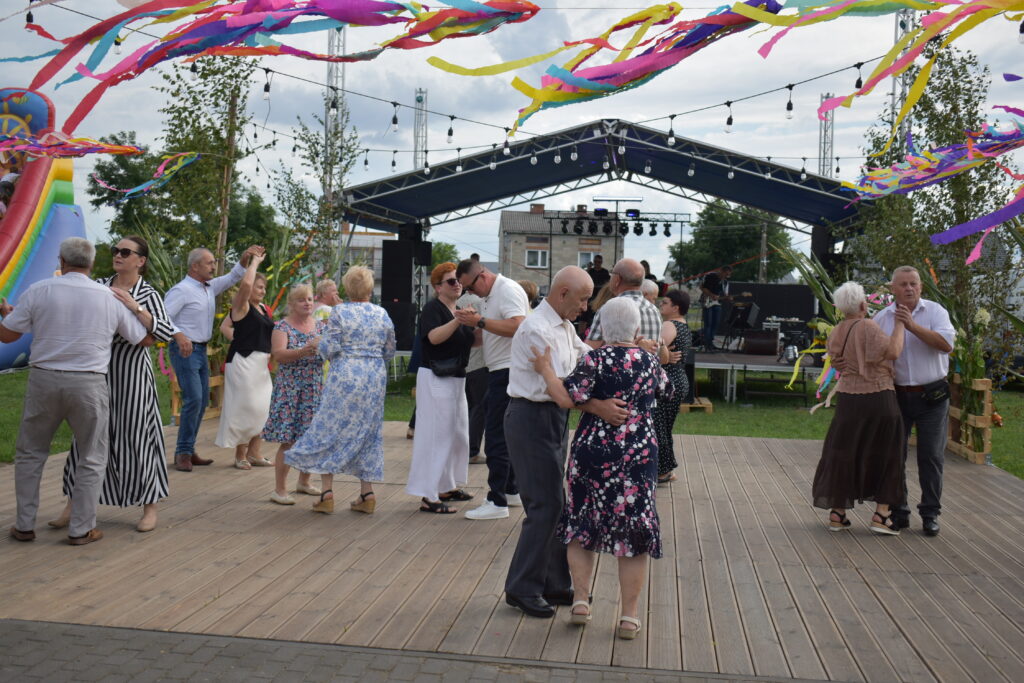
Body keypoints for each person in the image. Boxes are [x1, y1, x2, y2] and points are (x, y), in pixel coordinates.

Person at [530, 297, 671, 637]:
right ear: (636, 329)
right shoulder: (649, 362)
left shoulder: (593, 359)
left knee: (583, 523)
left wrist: (545, 369)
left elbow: (569, 397)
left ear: (603, 328)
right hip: (637, 455)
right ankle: (629, 617)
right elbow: (665, 391)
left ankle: (580, 601)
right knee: (634, 530)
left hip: (593, 452)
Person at [2, 237, 150, 546]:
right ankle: (81, 528)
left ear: (62, 261)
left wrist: (5, 313)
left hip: (44, 379)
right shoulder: (109, 296)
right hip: (89, 383)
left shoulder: (39, 290)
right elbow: (140, 338)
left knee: (30, 453)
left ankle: (25, 524)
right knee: (92, 456)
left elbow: (8, 335)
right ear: (91, 263)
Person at [503, 266, 630, 619]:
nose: (586, 307)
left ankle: (552, 583)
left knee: (555, 505)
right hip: (531, 419)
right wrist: (600, 407)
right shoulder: (537, 329)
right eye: (583, 299)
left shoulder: (563, 326)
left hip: (549, 419)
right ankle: (522, 588)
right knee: (545, 506)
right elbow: (563, 390)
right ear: (562, 294)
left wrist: (626, 351)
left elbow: (588, 357)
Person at [51, 236, 181, 534]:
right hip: (97, 369)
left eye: (125, 252)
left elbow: (163, 331)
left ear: (141, 261)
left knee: (138, 435)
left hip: (133, 373)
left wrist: (136, 308)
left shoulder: (148, 293)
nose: (118, 255)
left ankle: (149, 506)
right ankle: (73, 504)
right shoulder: (98, 285)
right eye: (115, 250)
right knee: (86, 435)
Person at [286, 266, 396, 515]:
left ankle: (327, 494)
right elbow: (389, 350)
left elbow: (331, 348)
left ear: (347, 287)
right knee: (368, 431)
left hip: (344, 374)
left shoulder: (340, 312)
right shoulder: (381, 313)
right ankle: (367, 494)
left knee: (331, 427)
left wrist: (319, 343)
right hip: (373, 376)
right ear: (370, 288)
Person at [812, 281, 908, 535]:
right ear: (864, 304)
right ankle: (881, 514)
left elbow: (837, 362)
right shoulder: (868, 326)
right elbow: (893, 351)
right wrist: (900, 324)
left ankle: (837, 512)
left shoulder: (836, 331)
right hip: (878, 395)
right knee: (888, 451)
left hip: (848, 399)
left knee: (844, 450)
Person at [164, 244, 264, 472]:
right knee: (194, 399)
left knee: (200, 402)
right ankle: (182, 452)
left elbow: (233, 277)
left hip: (200, 349)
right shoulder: (182, 290)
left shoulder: (208, 286)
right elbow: (162, 316)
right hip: (185, 350)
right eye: (209, 263)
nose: (213, 266)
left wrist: (244, 258)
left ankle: (188, 449)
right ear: (195, 266)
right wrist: (179, 335)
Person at [874, 266, 955, 536]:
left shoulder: (936, 312)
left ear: (921, 286)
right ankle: (899, 512)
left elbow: (946, 345)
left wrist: (911, 326)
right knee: (894, 456)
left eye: (914, 283)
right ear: (893, 289)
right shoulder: (881, 318)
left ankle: (930, 514)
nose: (909, 288)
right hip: (896, 395)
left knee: (930, 456)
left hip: (932, 396)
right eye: (904, 284)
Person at [454, 260, 530, 520]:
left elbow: (518, 326)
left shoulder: (506, 290)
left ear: (483, 276)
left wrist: (480, 321)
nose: (470, 293)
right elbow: (491, 333)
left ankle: (496, 500)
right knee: (504, 433)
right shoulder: (490, 295)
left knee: (496, 435)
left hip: (507, 370)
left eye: (470, 287)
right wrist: (468, 328)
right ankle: (510, 489)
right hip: (500, 369)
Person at [406, 263, 476, 514]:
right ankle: (429, 494)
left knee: (457, 435)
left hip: (455, 377)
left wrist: (485, 323)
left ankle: (446, 485)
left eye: (458, 280)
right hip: (436, 378)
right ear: (438, 287)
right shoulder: (432, 309)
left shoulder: (458, 310)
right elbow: (433, 337)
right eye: (451, 281)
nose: (457, 284)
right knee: (436, 436)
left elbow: (471, 341)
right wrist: (459, 320)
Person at [263, 284, 324, 505]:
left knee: (311, 439)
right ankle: (279, 490)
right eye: (301, 300)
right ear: (291, 304)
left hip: (314, 389)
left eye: (309, 299)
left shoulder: (320, 326)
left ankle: (304, 482)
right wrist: (304, 351)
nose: (307, 303)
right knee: (288, 441)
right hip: (290, 390)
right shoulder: (282, 327)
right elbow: (278, 355)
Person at [215, 252, 274, 469]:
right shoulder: (241, 306)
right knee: (245, 407)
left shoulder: (263, 309)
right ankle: (240, 454)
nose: (263, 291)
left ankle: (254, 452)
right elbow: (246, 285)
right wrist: (255, 262)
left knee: (263, 408)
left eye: (264, 287)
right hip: (243, 362)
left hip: (261, 365)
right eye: (259, 287)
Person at [586, 258, 671, 366]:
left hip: (616, 374)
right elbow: (658, 354)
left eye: (612, 274)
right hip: (648, 374)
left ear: (617, 279)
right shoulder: (654, 311)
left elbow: (589, 352)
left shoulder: (609, 308)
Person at [653, 289, 692, 484]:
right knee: (664, 427)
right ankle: (666, 469)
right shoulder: (684, 325)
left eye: (665, 302)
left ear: (676, 308)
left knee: (658, 425)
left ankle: (664, 471)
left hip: (668, 381)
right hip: (678, 380)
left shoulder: (669, 325)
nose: (661, 304)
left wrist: (663, 353)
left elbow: (656, 349)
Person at [458, 288, 488, 464]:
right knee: (479, 408)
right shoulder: (479, 303)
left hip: (465, 364)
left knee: (468, 408)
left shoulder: (459, 302)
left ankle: (465, 449)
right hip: (478, 362)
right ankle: (472, 451)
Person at [699, 265, 732, 352]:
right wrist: (711, 295)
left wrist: (728, 297)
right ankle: (707, 344)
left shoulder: (725, 282)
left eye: (728, 275)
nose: (726, 276)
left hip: (717, 303)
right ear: (721, 271)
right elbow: (702, 287)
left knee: (715, 324)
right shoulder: (710, 276)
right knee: (708, 323)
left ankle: (711, 343)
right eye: (725, 274)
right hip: (707, 301)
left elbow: (725, 294)